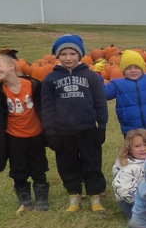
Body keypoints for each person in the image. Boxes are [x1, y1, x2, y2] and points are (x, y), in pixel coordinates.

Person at [40, 34, 108, 213]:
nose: (68, 58)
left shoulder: (91, 76)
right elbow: (46, 107)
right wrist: (50, 132)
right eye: (63, 54)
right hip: (63, 131)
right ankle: (74, 195)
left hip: (87, 129)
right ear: (57, 56)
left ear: (80, 54)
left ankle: (95, 196)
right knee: (67, 164)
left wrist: (101, 126)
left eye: (72, 53)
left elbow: (100, 102)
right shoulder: (50, 79)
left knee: (92, 162)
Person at [0, 49, 50, 214]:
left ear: (11, 66)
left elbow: (45, 105)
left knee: (39, 166)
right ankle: (24, 197)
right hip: (14, 137)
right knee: (18, 169)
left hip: (36, 135)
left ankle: (41, 196)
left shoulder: (33, 85)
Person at [103, 49, 146, 140]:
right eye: (128, 68)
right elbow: (104, 93)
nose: (133, 71)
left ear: (142, 68)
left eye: (136, 67)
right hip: (130, 127)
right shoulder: (118, 84)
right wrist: (98, 75)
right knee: (133, 148)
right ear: (123, 70)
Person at [112, 129, 146, 219]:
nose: (143, 149)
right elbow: (125, 191)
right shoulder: (127, 167)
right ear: (129, 148)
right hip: (132, 203)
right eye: (137, 146)